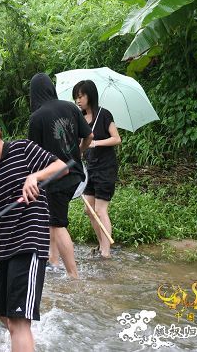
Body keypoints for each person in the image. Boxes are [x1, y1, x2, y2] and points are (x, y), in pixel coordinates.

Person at [0, 110, 67, 352]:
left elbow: (61, 166)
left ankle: (24, 339)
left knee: (19, 322)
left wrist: (34, 177)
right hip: (5, 248)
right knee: (3, 315)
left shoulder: (23, 149)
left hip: (30, 244)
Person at [28, 73, 93, 279]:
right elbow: (89, 135)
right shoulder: (71, 107)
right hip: (75, 172)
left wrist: (32, 178)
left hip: (55, 178)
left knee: (58, 224)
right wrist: (79, 152)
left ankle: (73, 275)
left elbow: (33, 154)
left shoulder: (37, 117)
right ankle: (52, 261)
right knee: (53, 219)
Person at [72, 80, 121, 259]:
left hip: (105, 168)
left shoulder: (104, 115)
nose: (78, 100)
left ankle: (106, 253)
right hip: (89, 169)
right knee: (88, 210)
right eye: (76, 97)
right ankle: (102, 245)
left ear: (90, 96)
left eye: (81, 96)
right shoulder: (80, 117)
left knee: (100, 210)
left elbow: (116, 139)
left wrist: (96, 142)